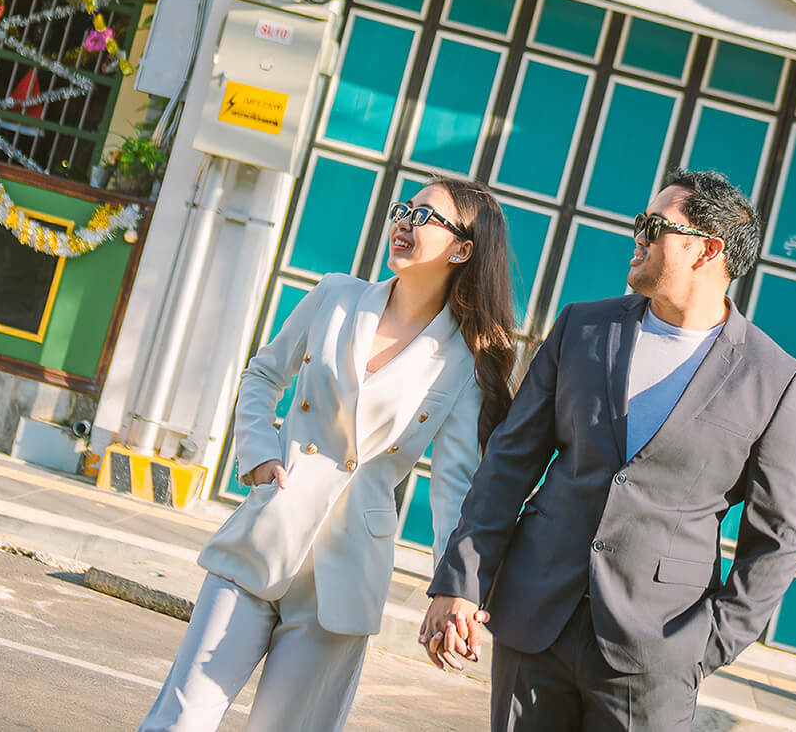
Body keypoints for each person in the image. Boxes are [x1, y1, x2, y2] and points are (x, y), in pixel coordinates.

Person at [419, 167, 796, 732]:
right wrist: (461, 580)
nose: (639, 237)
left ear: (709, 250)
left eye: (655, 226)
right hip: (536, 620)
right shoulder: (583, 328)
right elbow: (510, 460)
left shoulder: (775, 380)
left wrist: (705, 646)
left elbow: (778, 538)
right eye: (640, 224)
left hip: (656, 652)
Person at [137, 178, 517, 732]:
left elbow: (453, 488)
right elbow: (264, 374)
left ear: (463, 250)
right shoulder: (335, 296)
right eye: (403, 208)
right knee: (179, 719)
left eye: (425, 216)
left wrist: (452, 588)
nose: (405, 221)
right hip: (266, 532)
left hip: (346, 571)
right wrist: (260, 454)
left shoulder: (463, 362)